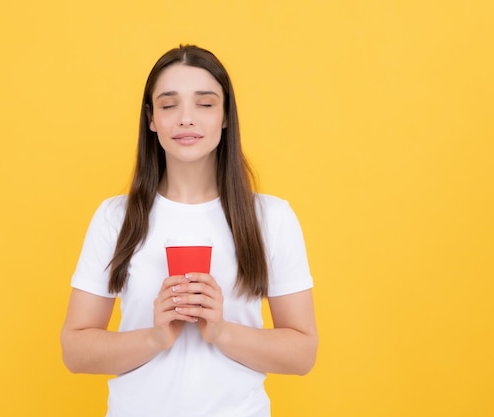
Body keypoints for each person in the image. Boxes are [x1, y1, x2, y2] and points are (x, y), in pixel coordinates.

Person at [61, 45, 318, 417]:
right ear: (151, 119)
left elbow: (302, 353)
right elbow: (75, 349)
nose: (186, 119)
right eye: (169, 105)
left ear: (225, 116)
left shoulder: (271, 218)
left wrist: (220, 330)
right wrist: (156, 337)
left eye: (205, 103)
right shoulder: (115, 218)